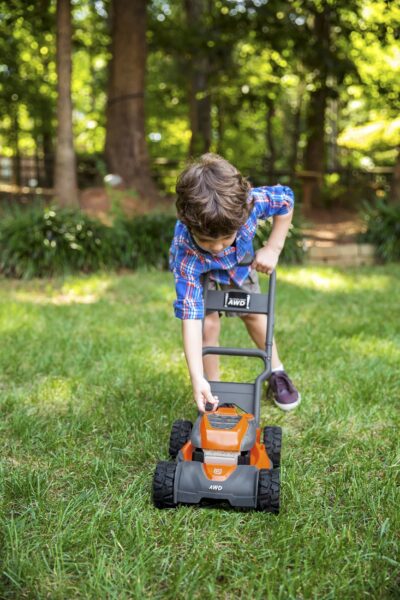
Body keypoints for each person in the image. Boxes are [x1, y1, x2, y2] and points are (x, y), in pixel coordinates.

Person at [169, 153, 300, 414]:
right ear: (187, 221)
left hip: (238, 265)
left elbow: (286, 198)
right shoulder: (186, 249)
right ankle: (211, 388)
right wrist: (195, 379)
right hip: (198, 267)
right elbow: (190, 317)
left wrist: (273, 248)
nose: (217, 248)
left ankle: (276, 372)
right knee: (207, 323)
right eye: (207, 240)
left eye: (226, 237)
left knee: (252, 314)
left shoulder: (250, 203)